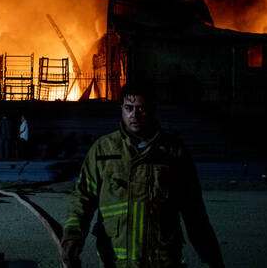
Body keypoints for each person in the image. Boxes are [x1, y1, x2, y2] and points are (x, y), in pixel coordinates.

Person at [61, 84, 225, 268]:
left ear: (152, 109)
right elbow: (82, 198)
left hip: (161, 261)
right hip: (115, 262)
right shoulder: (102, 150)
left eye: (141, 108)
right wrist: (72, 237)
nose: (135, 115)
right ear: (121, 109)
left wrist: (212, 256)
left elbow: (194, 212)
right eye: (129, 108)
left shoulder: (173, 152)